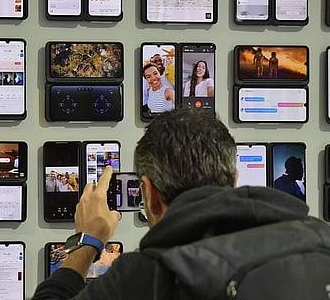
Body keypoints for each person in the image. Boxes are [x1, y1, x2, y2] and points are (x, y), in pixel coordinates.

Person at [31, 108, 316, 299]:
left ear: (150, 195)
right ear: (234, 180)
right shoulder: (319, 241)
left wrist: (88, 242)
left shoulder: (143, 278)